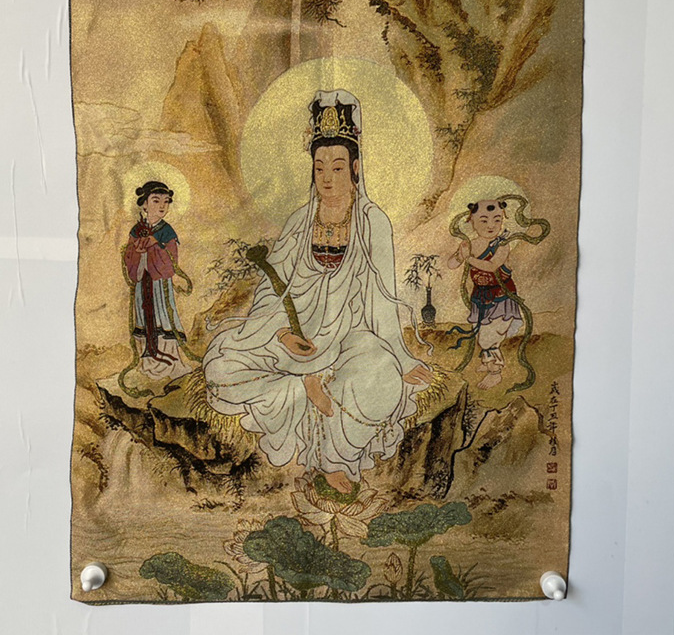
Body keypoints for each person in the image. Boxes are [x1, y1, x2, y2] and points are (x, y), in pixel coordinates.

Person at [203, 90, 433, 494]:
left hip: (350, 338)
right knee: (219, 367)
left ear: (355, 168)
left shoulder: (373, 223)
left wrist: (400, 357)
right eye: (319, 167)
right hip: (298, 340)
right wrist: (282, 334)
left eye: (338, 167)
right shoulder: (300, 221)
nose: (327, 177)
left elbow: (381, 299)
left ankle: (334, 459)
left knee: (384, 379)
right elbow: (270, 291)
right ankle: (305, 384)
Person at [447, 199, 522, 389]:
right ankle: (488, 360)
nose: (491, 225)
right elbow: (451, 264)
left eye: (497, 220)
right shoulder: (471, 245)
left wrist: (469, 259)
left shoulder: (502, 245)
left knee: (490, 337)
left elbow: (491, 266)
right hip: (479, 298)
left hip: (501, 299)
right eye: (484, 220)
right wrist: (460, 254)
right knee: (480, 333)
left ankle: (495, 372)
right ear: (472, 222)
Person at [123, 180, 192, 381]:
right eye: (156, 200)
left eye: (166, 201)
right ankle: (148, 363)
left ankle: (171, 363)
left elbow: (171, 260)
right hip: (142, 284)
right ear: (144, 204)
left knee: (163, 317)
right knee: (144, 318)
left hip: (159, 285)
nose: (162, 206)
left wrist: (156, 246)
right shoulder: (136, 230)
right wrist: (137, 251)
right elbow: (128, 256)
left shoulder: (166, 231)